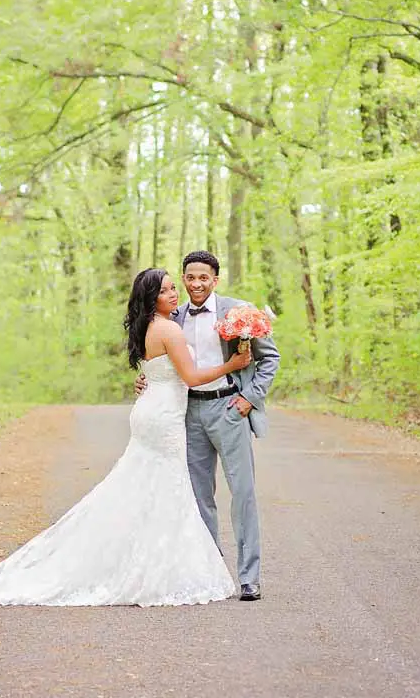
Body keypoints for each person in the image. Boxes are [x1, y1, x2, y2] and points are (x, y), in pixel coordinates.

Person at [0, 268, 251, 607]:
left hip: (152, 410)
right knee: (164, 488)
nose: (174, 294)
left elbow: (157, 372)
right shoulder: (169, 329)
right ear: (152, 299)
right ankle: (154, 567)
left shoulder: (145, 327)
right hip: (163, 417)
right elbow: (191, 377)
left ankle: (150, 560)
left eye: (173, 288)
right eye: (166, 291)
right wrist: (232, 364)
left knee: (146, 486)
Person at [135, 250, 280, 601]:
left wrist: (250, 398)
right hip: (188, 413)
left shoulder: (238, 311)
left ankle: (249, 578)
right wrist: (145, 382)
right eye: (189, 278)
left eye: (204, 278)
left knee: (242, 494)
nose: (196, 284)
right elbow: (162, 363)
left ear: (215, 279)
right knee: (199, 498)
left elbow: (269, 358)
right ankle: (210, 573)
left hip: (230, 409)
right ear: (183, 280)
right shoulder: (173, 316)